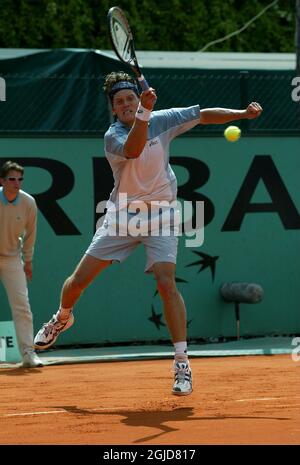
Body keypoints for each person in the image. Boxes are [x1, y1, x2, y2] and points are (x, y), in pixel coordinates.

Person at [34, 71, 262, 395]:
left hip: (163, 215)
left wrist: (242, 114)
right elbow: (133, 149)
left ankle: (181, 363)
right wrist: (144, 111)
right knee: (78, 281)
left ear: (136, 98)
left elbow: (203, 114)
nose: (126, 104)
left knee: (166, 283)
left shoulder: (164, 119)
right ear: (113, 109)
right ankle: (62, 317)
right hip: (123, 215)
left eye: (130, 98)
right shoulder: (112, 136)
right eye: (120, 102)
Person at [0, 160, 43, 368]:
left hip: (11, 259)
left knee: (22, 307)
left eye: (20, 179)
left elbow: (30, 235)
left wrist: (28, 261)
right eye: (11, 179)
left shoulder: (28, 203)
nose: (16, 183)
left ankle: (28, 354)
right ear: (2, 181)